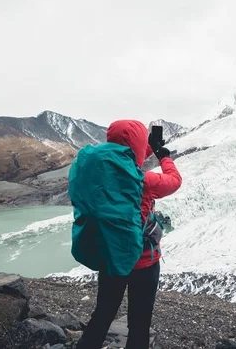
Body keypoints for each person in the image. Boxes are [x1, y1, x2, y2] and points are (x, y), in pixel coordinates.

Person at [76, 120, 182, 349]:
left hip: (111, 257)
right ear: (138, 144)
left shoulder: (98, 175)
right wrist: (163, 155)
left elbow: (127, 155)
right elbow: (174, 181)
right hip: (143, 261)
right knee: (139, 324)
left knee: (103, 314)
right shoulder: (142, 181)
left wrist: (146, 147)